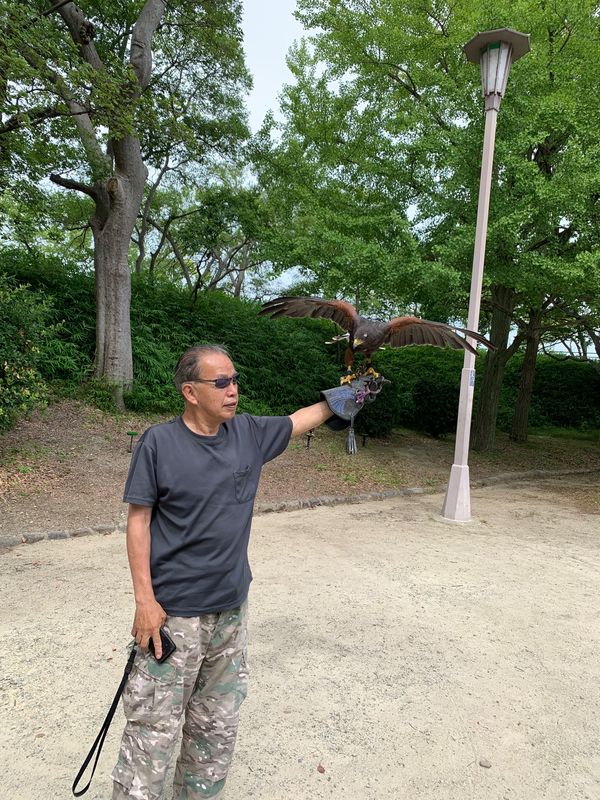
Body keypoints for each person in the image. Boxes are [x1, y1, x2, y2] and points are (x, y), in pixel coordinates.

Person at [111, 344, 336, 800]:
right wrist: (145, 602)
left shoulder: (248, 434)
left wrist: (342, 399)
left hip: (231, 612)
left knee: (216, 728)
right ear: (190, 392)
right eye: (222, 383)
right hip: (174, 617)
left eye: (234, 381)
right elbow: (138, 523)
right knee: (152, 733)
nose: (233, 391)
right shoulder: (159, 443)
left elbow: (297, 422)